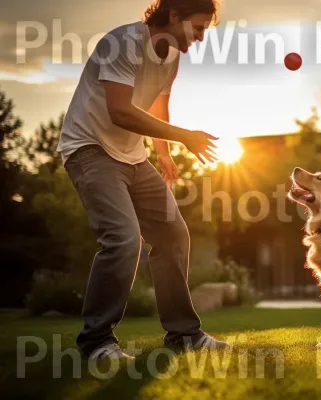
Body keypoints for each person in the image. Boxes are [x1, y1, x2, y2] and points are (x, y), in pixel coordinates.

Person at [57, 0, 228, 360]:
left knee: (172, 233)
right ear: (174, 15)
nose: (199, 38)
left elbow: (156, 106)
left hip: (134, 156)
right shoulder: (121, 44)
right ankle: (96, 342)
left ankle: (184, 335)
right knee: (123, 238)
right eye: (197, 28)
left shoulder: (172, 56)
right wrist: (183, 135)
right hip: (89, 149)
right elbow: (119, 111)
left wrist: (163, 154)